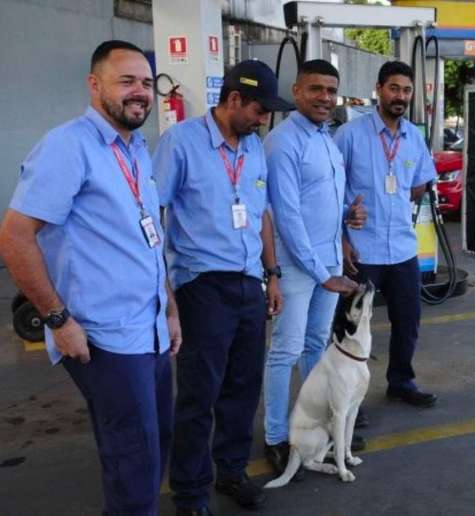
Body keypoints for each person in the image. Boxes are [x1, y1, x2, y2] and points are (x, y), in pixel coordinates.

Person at [0, 40, 181, 515]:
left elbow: (148, 239)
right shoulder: (68, 146)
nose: (140, 92)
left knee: (150, 448)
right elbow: (14, 238)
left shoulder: (137, 148)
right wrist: (58, 320)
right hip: (106, 338)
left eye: (145, 82)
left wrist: (170, 308)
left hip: (151, 330)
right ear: (94, 85)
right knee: (134, 462)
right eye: (126, 81)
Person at [152, 60, 290, 516]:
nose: (263, 118)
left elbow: (262, 214)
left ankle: (231, 471)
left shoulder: (254, 149)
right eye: (258, 109)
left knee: (242, 387)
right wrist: (166, 294)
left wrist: (272, 274)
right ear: (233, 100)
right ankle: (190, 492)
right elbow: (153, 215)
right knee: (199, 393)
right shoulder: (181, 143)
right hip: (202, 286)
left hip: (249, 284)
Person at [262, 59, 367, 475]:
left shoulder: (328, 139)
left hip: (326, 265)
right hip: (297, 266)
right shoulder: (282, 142)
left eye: (331, 90)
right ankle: (275, 436)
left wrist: (348, 217)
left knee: (315, 347)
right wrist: (322, 272)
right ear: (297, 91)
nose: (325, 97)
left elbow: (322, 201)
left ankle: (318, 423)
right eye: (316, 89)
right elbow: (286, 216)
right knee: (285, 351)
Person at [334, 61, 438, 411]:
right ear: (379, 89)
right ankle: (348, 398)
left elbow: (420, 183)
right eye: (394, 88)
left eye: (406, 90)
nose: (400, 96)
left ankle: (401, 381)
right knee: (352, 326)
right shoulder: (350, 135)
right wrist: (344, 235)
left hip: (403, 250)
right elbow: (331, 190)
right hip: (362, 250)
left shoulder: (414, 137)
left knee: (408, 319)